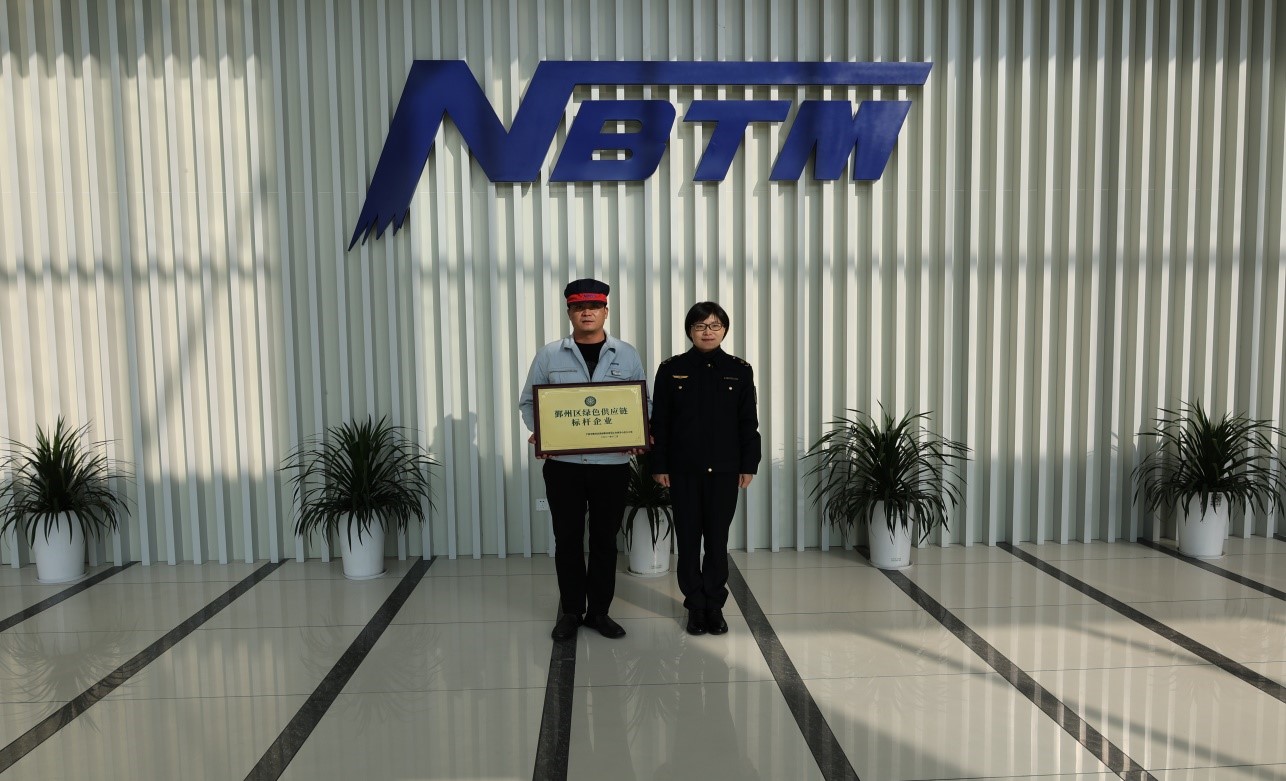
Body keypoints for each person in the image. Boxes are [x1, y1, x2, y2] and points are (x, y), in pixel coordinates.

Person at [519, 278, 647, 641]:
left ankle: (600, 613)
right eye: (578, 307)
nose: (586, 312)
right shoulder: (549, 355)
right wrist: (543, 432)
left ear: (606, 311)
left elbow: (643, 403)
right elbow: (529, 402)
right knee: (568, 539)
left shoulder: (627, 354)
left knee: (605, 541)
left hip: (612, 467)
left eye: (593, 306)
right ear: (569, 312)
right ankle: (572, 612)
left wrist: (637, 434)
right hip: (564, 468)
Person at [649, 302, 760, 636]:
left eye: (714, 326)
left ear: (724, 330)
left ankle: (714, 605)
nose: (707, 332)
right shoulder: (671, 369)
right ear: (690, 331)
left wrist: (749, 464)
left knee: (716, 539)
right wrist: (659, 464)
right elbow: (660, 422)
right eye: (700, 326)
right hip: (683, 469)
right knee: (687, 538)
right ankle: (695, 606)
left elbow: (748, 422)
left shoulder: (740, 370)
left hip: (725, 470)